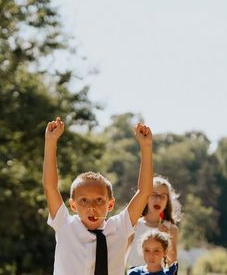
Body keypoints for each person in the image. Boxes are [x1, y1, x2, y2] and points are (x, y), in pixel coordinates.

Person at [43, 116, 154, 275]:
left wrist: (146, 146)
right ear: (73, 205)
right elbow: (50, 187)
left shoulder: (119, 227)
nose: (92, 207)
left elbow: (145, 192)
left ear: (110, 204)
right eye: (84, 201)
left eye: (99, 200)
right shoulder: (64, 225)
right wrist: (50, 141)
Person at [126, 176, 180, 269]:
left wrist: (167, 240)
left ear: (167, 201)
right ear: (146, 197)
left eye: (163, 196)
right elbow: (121, 255)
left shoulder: (171, 229)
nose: (158, 200)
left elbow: (172, 264)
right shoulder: (134, 224)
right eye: (154, 194)